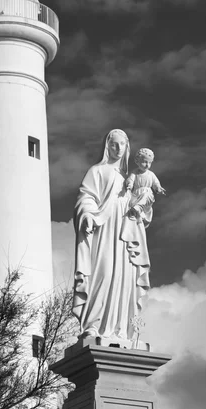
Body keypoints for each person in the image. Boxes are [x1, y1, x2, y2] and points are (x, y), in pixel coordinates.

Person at [72, 129, 150, 346]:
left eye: (122, 145)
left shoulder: (129, 178)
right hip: (104, 231)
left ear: (127, 148)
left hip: (125, 233)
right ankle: (93, 326)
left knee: (124, 280)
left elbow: (138, 205)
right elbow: (85, 196)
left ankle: (120, 329)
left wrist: (142, 205)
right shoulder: (97, 171)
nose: (118, 149)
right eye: (114, 144)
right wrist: (87, 214)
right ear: (107, 146)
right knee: (104, 274)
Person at [122, 148, 165, 230]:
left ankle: (138, 208)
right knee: (144, 194)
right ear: (137, 161)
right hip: (136, 196)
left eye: (149, 163)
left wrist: (158, 188)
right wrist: (129, 185)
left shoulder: (151, 174)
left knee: (147, 193)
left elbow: (156, 183)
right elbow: (130, 180)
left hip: (147, 196)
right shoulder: (135, 172)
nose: (147, 165)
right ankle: (137, 210)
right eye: (145, 162)